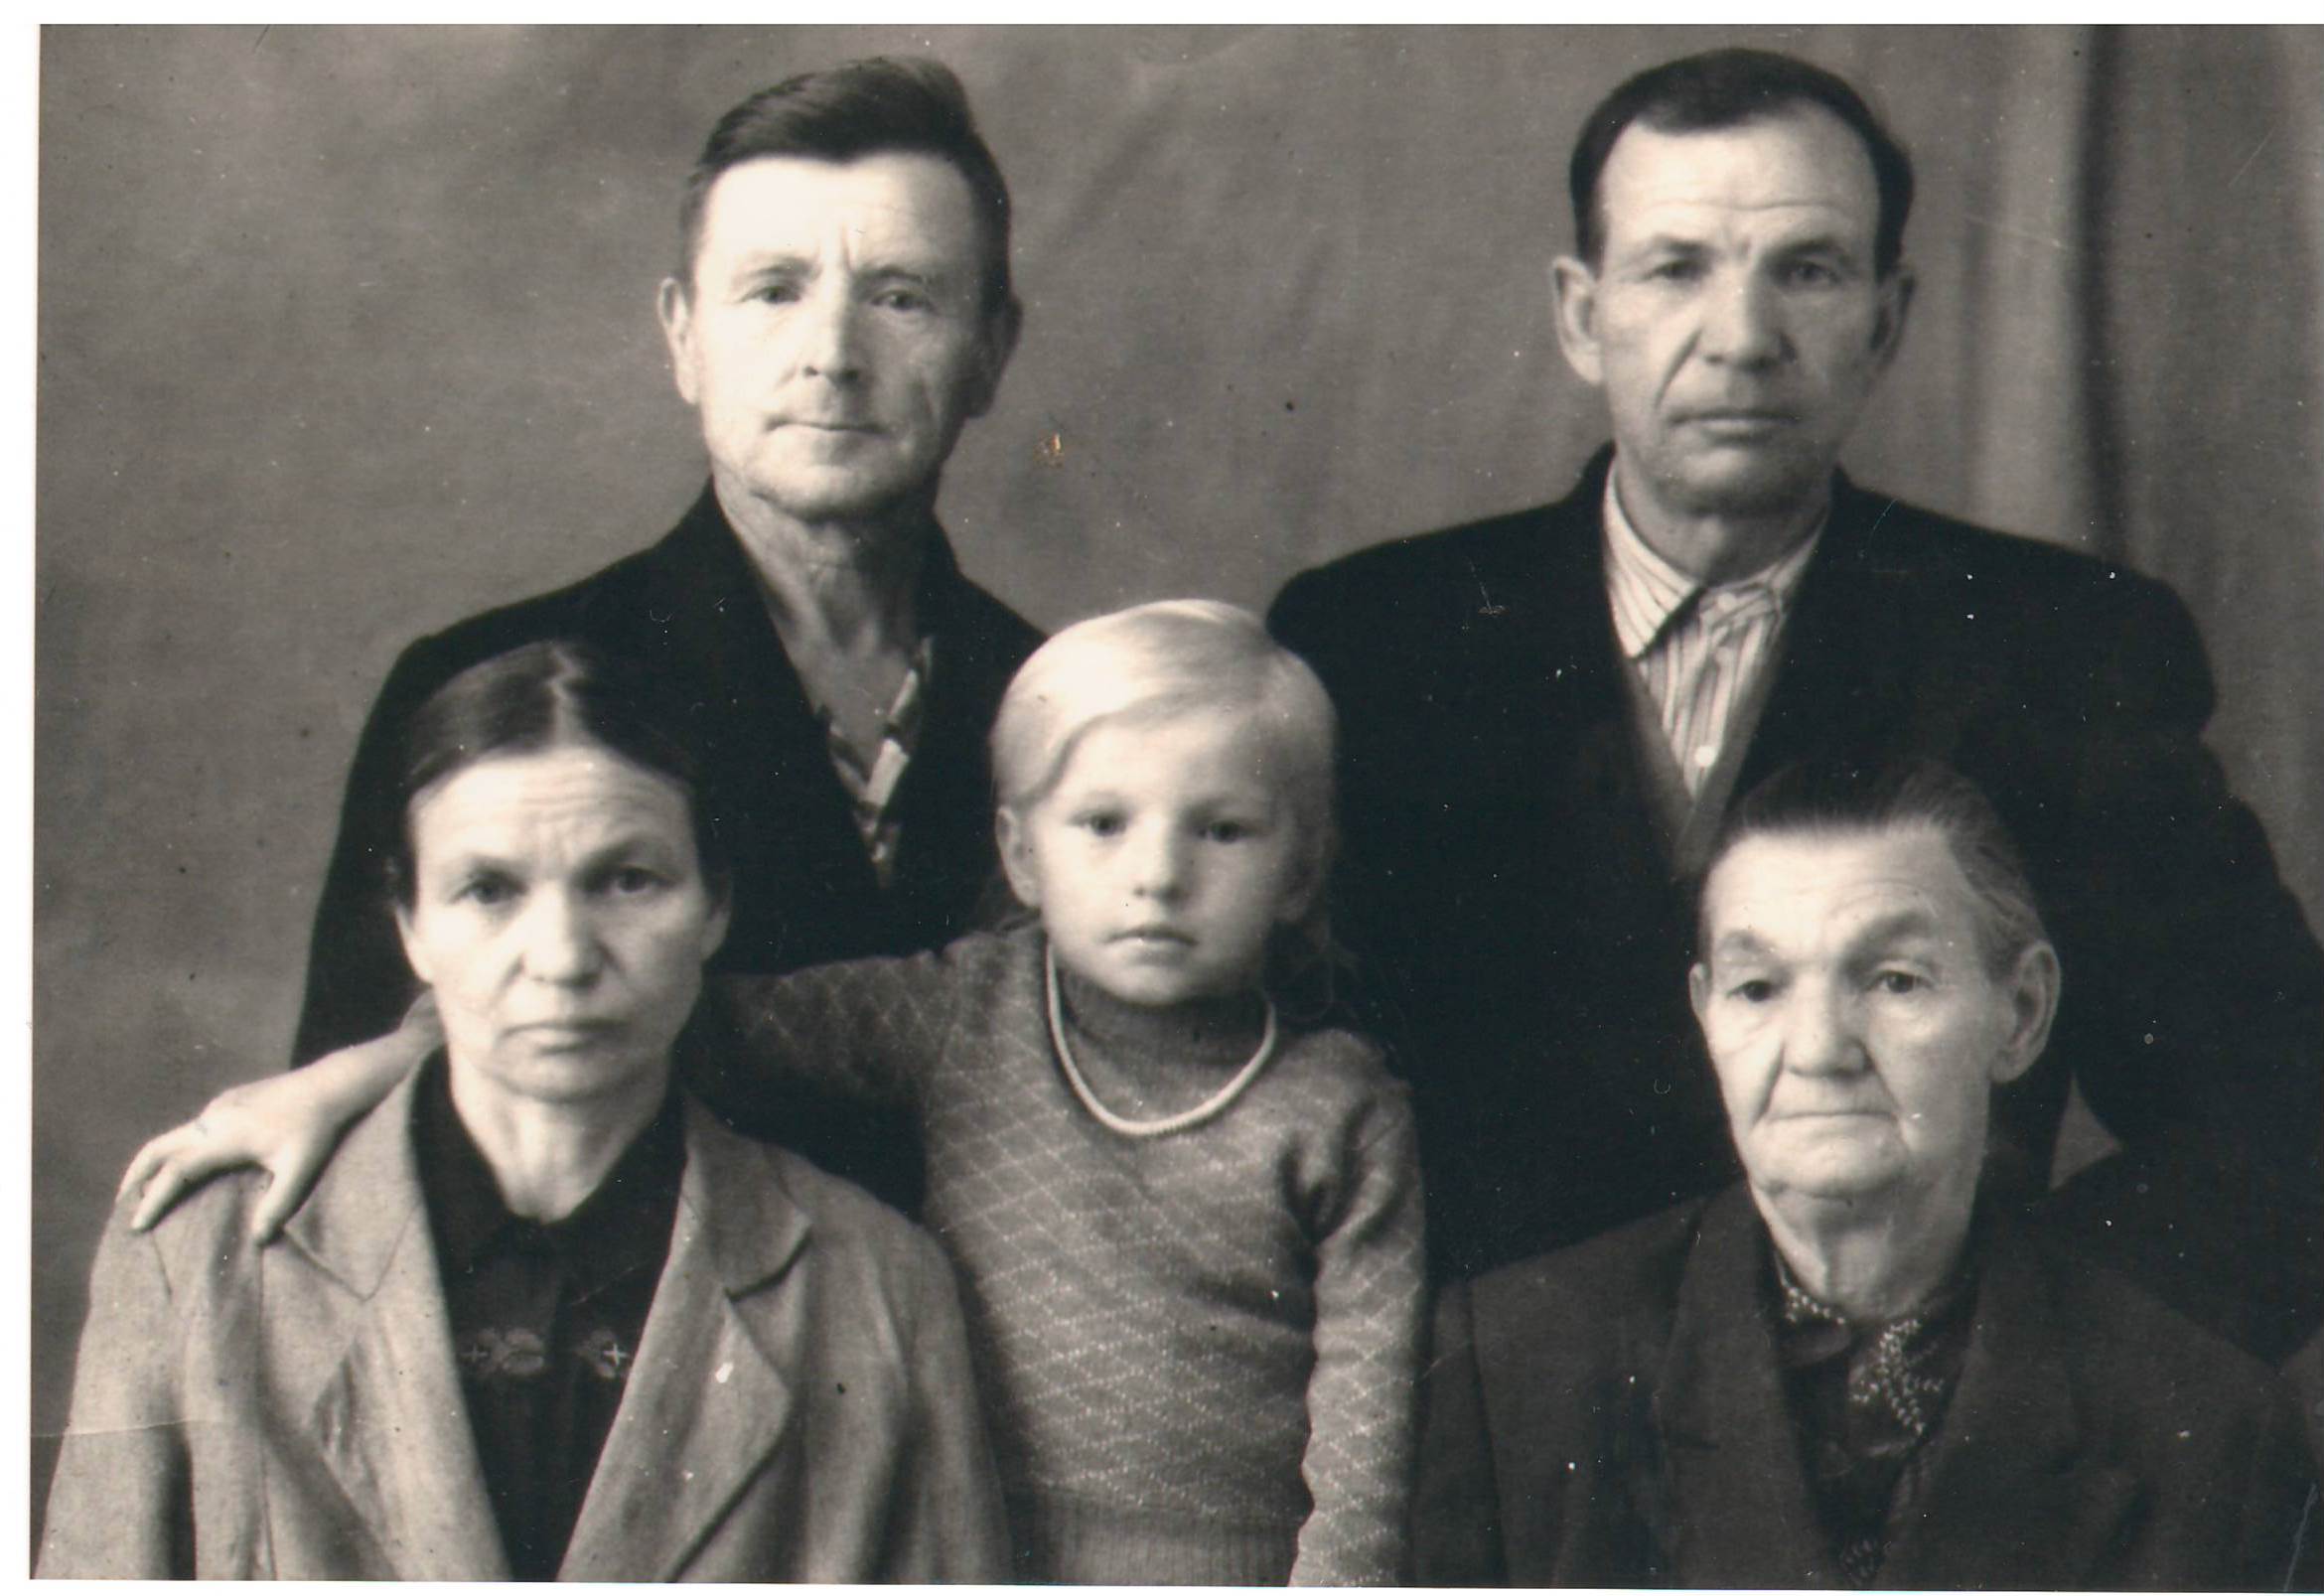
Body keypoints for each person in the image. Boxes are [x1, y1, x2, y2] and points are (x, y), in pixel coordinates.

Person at [1267, 47, 2323, 1357]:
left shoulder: (2059, 649)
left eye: (1808, 270)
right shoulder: (1371, 644)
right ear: (1581, 315)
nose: (1743, 339)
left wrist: (2013, 1355)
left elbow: (2286, 1114)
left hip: (1914, 1444)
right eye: (1676, 268)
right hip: (1471, 1431)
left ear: (1885, 319)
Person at [122, 603, 1425, 1586]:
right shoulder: (963, 1012)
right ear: (1021, 852)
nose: (1158, 875)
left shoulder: (1338, 1110)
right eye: (1104, 822)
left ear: (1302, 868)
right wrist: (365, 1066)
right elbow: (643, 1014)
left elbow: (1366, 1443)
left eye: (1222, 829)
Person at [41, 641, 1007, 1580]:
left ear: (715, 906)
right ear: (410, 925)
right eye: (489, 889)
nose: (562, 957)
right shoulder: (194, 1258)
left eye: (627, 879)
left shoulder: (877, 1285)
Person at [296, 57, 1043, 1211]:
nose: (833, 355)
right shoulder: (487, 682)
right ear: (683, 335)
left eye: (902, 298)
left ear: (991, 348)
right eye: (773, 290)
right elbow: (361, 1139)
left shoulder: (1059, 698)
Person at [1412, 760, 2321, 1589]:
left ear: (2021, 1014)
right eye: (1758, 987)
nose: (1818, 1050)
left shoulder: (2218, 1432)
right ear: (1706, 1016)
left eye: (1894, 980)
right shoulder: (1512, 1375)